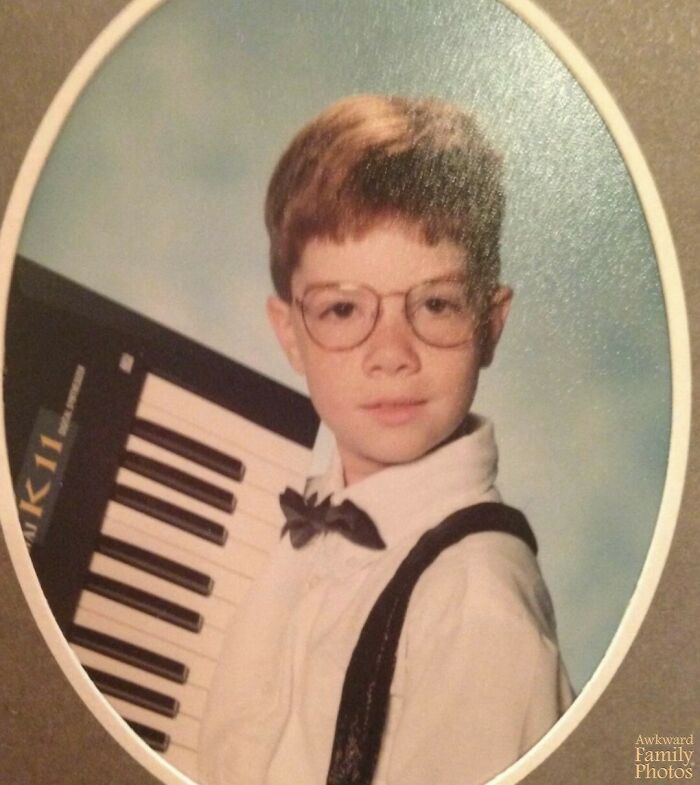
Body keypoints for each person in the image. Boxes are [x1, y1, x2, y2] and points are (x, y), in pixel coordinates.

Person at [198, 94, 574, 785]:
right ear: (290, 334)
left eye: (435, 303)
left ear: (490, 324)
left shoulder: (476, 610)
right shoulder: (301, 513)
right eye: (343, 308)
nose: (391, 353)